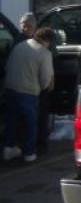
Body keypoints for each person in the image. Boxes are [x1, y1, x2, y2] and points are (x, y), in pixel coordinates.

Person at [2, 27, 56, 163]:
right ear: (47, 41)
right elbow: (45, 79)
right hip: (28, 92)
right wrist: (45, 87)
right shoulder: (44, 53)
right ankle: (29, 153)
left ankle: (8, 149)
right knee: (30, 123)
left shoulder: (20, 45)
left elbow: (7, 66)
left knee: (11, 121)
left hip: (10, 88)